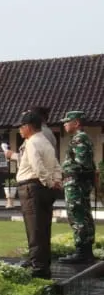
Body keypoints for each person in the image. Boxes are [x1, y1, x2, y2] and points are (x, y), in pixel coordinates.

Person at [8, 109, 64, 278]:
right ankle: (44, 266)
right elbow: (55, 165)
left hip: (32, 187)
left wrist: (47, 181)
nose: (19, 130)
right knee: (43, 228)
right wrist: (56, 181)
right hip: (44, 189)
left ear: (29, 127)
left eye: (21, 126)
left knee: (35, 230)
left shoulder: (32, 142)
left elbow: (37, 166)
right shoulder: (46, 141)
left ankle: (38, 269)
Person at [59, 110, 96, 263]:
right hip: (79, 183)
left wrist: (65, 169)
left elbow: (82, 164)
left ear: (77, 123)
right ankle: (86, 251)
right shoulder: (80, 138)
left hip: (76, 184)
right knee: (84, 214)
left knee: (77, 214)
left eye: (68, 121)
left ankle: (82, 251)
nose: (65, 124)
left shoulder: (80, 138)